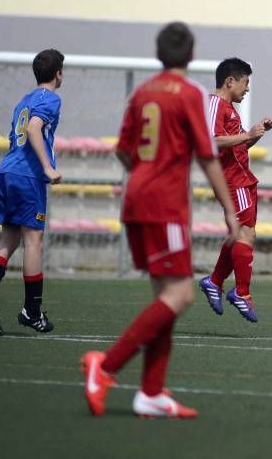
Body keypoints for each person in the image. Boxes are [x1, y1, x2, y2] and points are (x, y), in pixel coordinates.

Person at [80, 22, 240, 419]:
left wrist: (144, 175)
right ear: (191, 54)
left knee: (165, 296)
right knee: (181, 295)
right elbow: (207, 157)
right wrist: (230, 209)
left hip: (135, 197)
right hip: (164, 205)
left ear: (157, 53)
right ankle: (107, 365)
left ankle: (151, 393)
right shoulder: (188, 94)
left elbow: (122, 150)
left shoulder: (142, 92)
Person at [0, 49, 65, 336]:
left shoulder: (23, 101)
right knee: (33, 241)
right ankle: (32, 311)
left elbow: (20, 132)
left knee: (8, 240)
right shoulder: (51, 98)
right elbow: (35, 128)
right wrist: (48, 168)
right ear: (58, 74)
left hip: (6, 171)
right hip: (27, 176)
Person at [199, 58, 272, 323]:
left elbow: (238, 148)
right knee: (245, 234)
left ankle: (215, 281)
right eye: (245, 82)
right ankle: (242, 292)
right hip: (232, 181)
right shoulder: (215, 104)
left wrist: (255, 134)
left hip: (243, 179)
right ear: (230, 81)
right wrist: (246, 135)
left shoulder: (229, 108)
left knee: (241, 234)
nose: (247, 89)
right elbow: (210, 142)